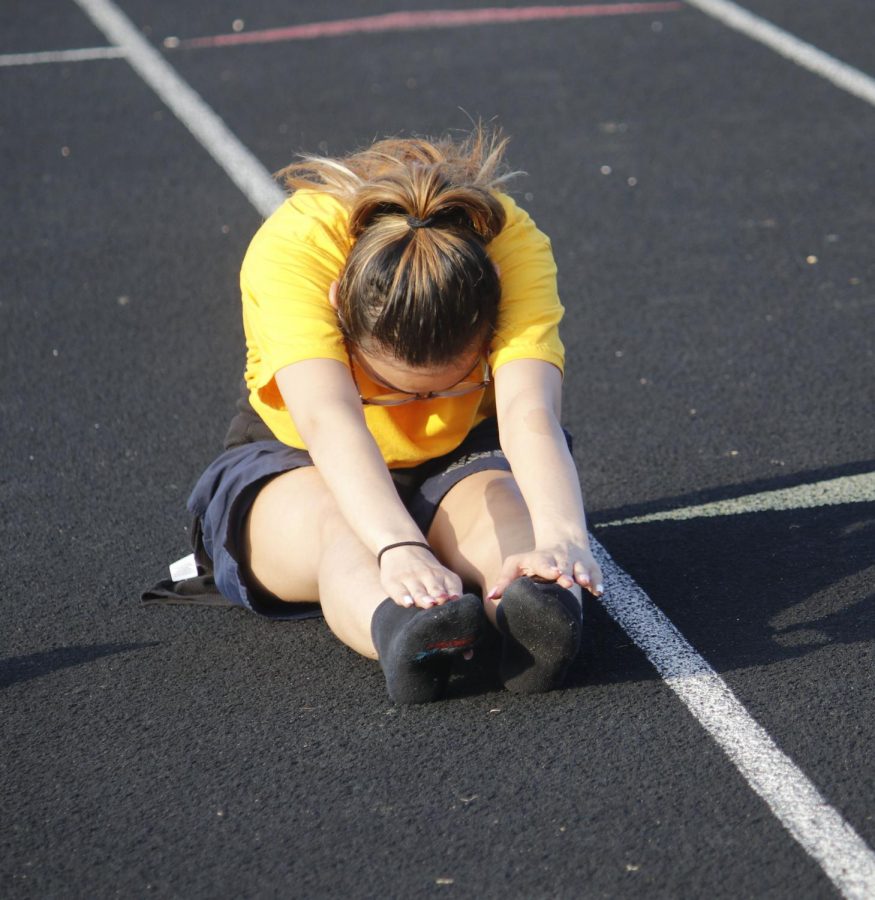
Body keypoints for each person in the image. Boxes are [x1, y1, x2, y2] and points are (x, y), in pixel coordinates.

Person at [185, 127, 604, 704]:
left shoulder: (512, 245)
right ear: (339, 302)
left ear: (497, 292)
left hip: (457, 453)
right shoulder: (296, 249)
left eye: (446, 386)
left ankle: (536, 614)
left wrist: (562, 540)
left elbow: (529, 410)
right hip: (301, 456)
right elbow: (329, 417)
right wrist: (396, 545)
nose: (416, 409)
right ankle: (410, 629)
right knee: (340, 529)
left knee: (506, 507)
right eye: (390, 389)